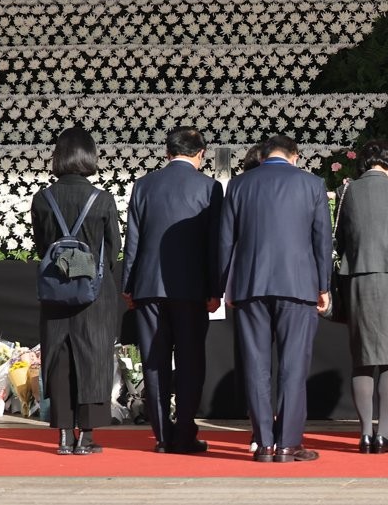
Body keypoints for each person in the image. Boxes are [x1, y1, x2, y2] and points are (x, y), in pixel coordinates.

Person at [218, 134, 332, 463]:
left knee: (256, 365)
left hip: (250, 284)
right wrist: (323, 285)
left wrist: (223, 286)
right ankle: (288, 443)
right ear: (294, 156)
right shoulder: (311, 184)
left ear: (264, 154)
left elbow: (225, 240)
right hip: (298, 285)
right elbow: (322, 239)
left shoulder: (239, 185)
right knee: (293, 366)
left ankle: (264, 442)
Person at [121, 126, 223, 454]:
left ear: (167, 153)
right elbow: (214, 244)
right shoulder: (209, 188)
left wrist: (128, 284)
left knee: (155, 361)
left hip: (148, 286)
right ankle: (185, 433)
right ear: (201, 154)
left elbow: (133, 239)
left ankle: (162, 434)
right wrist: (215, 287)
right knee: (191, 360)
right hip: (192, 288)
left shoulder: (144, 185)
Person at [30, 127, 122, 456]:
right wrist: (91, 274)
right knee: (93, 357)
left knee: (60, 357)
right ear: (89, 156)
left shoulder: (42, 199)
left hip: (55, 288)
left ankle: (64, 435)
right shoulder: (102, 199)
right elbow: (113, 249)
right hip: (94, 292)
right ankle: (87, 436)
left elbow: (43, 245)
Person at [333, 140, 388, 454]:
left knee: (362, 359)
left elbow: (340, 240)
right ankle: (385, 434)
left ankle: (365, 433)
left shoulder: (346, 193)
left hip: (356, 277)